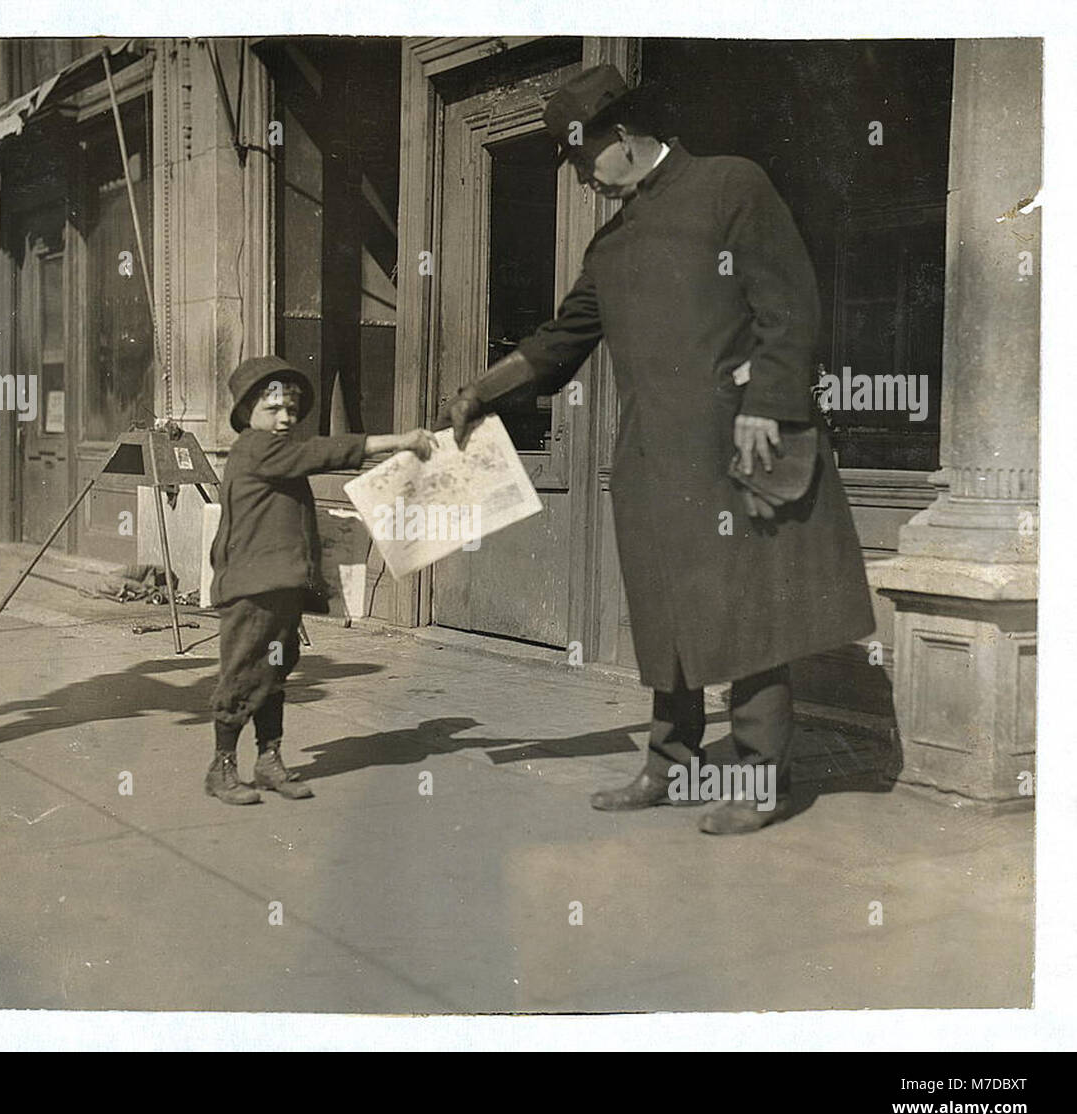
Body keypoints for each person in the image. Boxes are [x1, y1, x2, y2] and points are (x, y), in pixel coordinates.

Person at [438, 65, 875, 834]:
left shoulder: (732, 186)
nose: (581, 179)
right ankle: (671, 764)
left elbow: (788, 300)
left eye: (581, 161)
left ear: (622, 137)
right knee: (667, 618)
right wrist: (483, 388)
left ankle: (759, 778)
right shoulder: (612, 247)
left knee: (747, 618)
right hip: (650, 464)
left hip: (737, 449)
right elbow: (562, 338)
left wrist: (766, 406)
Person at [206, 356, 434, 805]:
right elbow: (321, 452)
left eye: (291, 409)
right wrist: (398, 442)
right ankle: (222, 766)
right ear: (248, 412)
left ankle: (268, 760)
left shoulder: (279, 457)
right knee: (244, 672)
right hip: (252, 591)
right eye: (274, 409)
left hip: (279, 588)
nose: (286, 417)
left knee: (272, 672)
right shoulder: (255, 447)